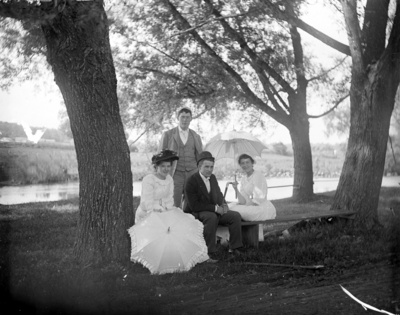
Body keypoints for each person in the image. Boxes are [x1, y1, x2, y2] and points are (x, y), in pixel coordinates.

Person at [184, 151, 244, 258]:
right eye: (206, 167)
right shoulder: (191, 181)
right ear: (199, 166)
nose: (209, 170)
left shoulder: (212, 177)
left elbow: (219, 194)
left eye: (211, 167)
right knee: (211, 217)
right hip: (195, 213)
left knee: (235, 216)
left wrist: (224, 204)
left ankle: (234, 248)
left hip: (212, 211)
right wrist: (216, 208)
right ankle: (209, 252)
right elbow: (194, 206)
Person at [158, 107, 203, 208]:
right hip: (175, 173)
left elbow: (200, 157)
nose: (185, 120)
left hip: (193, 173)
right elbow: (160, 158)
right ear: (178, 118)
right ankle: (174, 222)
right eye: (182, 117)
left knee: (192, 203)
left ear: (191, 119)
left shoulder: (196, 136)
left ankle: (189, 222)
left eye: (187, 117)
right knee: (174, 202)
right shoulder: (168, 135)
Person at [134, 149, 181, 223]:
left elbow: (169, 199)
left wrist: (168, 211)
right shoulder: (149, 179)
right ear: (156, 167)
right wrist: (160, 213)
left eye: (168, 166)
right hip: (148, 213)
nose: (166, 169)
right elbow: (147, 203)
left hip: (164, 212)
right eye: (163, 166)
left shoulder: (169, 179)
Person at [229, 154, 276, 221]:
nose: (245, 165)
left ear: (252, 163)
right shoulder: (243, 179)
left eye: (247, 162)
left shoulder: (258, 175)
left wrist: (246, 206)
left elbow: (259, 198)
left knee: (233, 209)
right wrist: (235, 189)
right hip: (250, 206)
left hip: (261, 208)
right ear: (240, 165)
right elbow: (243, 202)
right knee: (230, 207)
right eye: (242, 163)